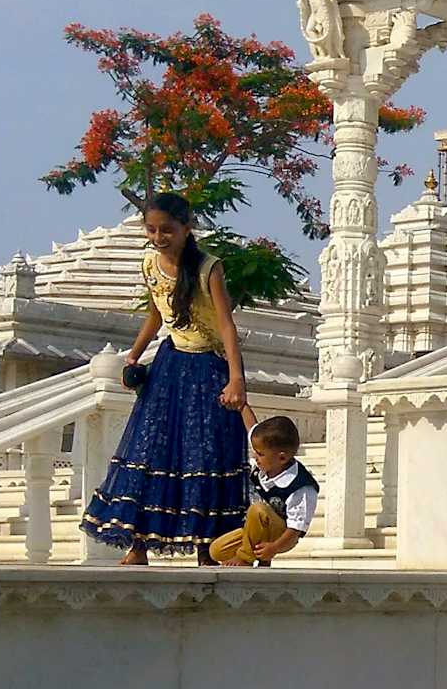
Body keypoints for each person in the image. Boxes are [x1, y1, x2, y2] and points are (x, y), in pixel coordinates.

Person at [81, 193, 251, 564]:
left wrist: (236, 379)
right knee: (152, 450)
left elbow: (226, 325)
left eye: (167, 230)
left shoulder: (209, 268)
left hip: (209, 367)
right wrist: (133, 355)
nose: (159, 237)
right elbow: (156, 315)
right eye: (152, 229)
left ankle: (209, 548)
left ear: (186, 228)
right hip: (169, 366)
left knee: (206, 454)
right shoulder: (149, 264)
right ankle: (138, 545)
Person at [210, 406, 319, 567]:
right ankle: (258, 556)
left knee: (258, 509)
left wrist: (274, 548)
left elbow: (295, 530)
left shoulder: (300, 486)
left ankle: (245, 558)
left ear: (281, 458)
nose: (255, 456)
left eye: (260, 454)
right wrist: (242, 406)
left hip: (282, 535)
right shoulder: (263, 466)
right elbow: (252, 429)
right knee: (217, 551)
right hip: (256, 528)